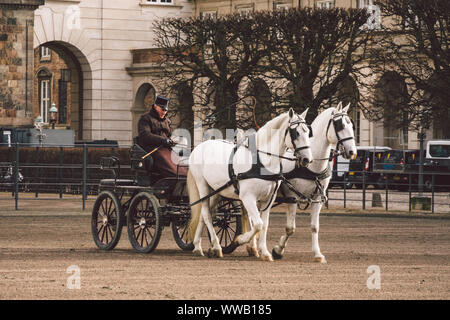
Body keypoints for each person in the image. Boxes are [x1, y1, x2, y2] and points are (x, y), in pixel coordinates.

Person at [137, 96, 188, 178]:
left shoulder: (167, 121)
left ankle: (184, 174)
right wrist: (163, 140)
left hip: (166, 148)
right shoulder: (145, 119)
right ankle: (175, 176)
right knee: (165, 158)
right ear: (155, 106)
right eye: (163, 109)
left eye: (166, 110)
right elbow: (145, 135)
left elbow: (170, 135)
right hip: (152, 149)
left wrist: (176, 140)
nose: (164, 112)